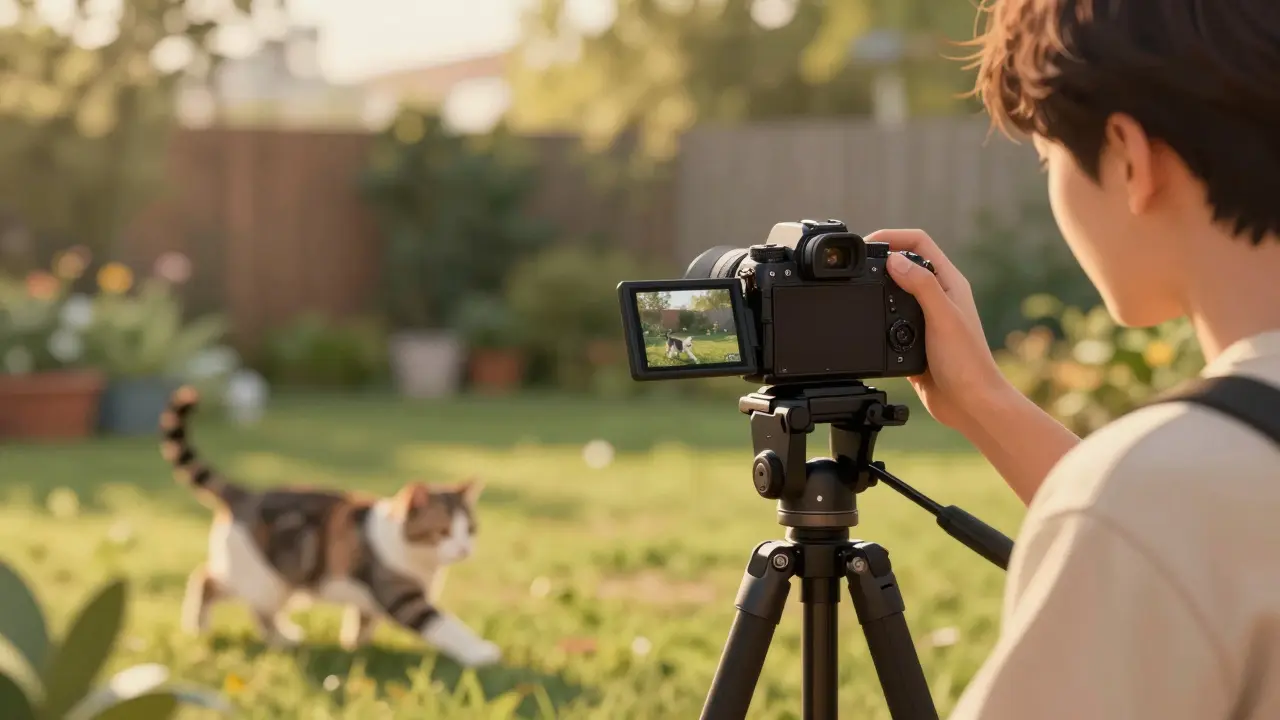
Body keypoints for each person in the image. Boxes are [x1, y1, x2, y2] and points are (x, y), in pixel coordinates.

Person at [873, 1, 1280, 718]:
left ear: (1128, 156)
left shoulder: (1157, 496)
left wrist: (1109, 498)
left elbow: (1165, 518)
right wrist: (985, 403)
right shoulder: (1178, 494)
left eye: (1046, 157)